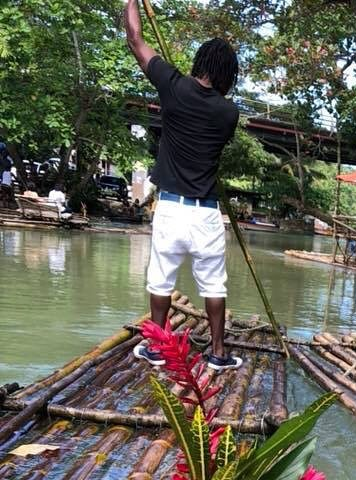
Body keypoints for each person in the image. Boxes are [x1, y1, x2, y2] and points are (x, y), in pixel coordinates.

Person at [125, 0, 242, 370]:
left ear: (199, 64)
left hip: (172, 209)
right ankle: (219, 353)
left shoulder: (172, 86)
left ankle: (157, 347)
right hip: (207, 213)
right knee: (214, 285)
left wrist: (132, 1)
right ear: (226, 75)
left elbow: (134, 38)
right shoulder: (229, 113)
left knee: (160, 277)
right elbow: (209, 106)